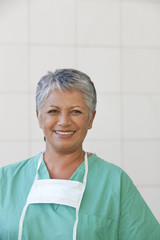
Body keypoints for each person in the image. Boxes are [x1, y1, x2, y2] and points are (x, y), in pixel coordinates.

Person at [0, 69, 160, 240]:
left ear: (91, 119)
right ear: (39, 117)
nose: (64, 121)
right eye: (53, 111)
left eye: (76, 111)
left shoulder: (115, 182)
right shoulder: (6, 180)